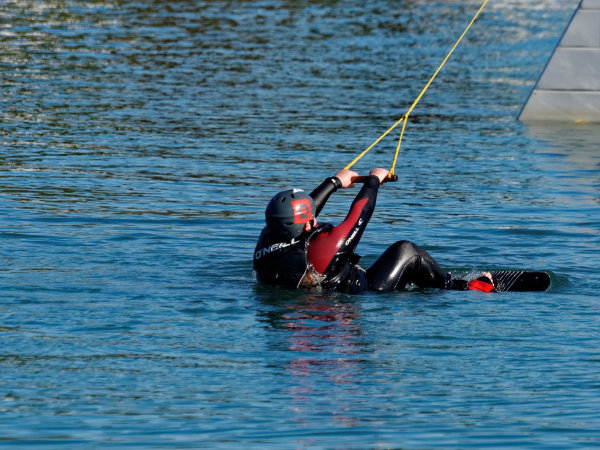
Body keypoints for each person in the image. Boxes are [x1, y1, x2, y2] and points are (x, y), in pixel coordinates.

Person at [253, 167, 493, 294]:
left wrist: (334, 182)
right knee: (406, 251)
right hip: (364, 290)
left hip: (312, 296)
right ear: (304, 224)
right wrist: (374, 180)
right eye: (309, 220)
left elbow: (304, 212)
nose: (314, 220)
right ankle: (463, 288)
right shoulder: (325, 250)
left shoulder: (267, 239)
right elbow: (360, 215)